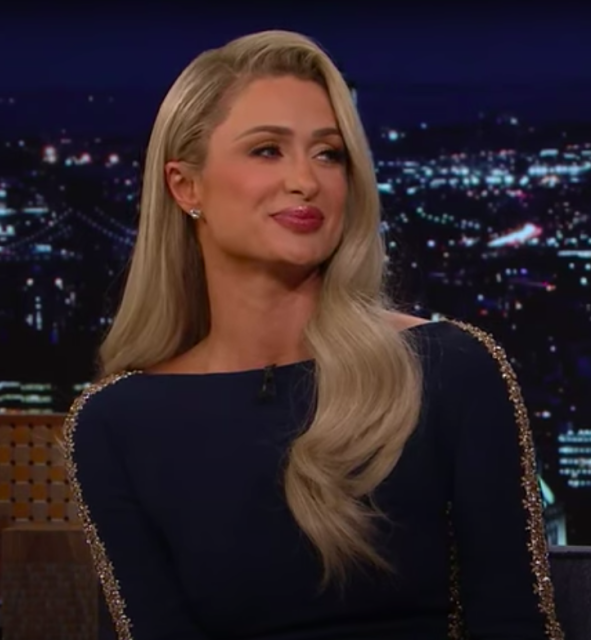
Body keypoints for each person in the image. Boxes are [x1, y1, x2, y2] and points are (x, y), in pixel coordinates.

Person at [62, 30, 564, 640]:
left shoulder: (452, 369)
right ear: (186, 186)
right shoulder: (114, 425)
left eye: (329, 154)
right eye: (267, 150)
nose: (306, 180)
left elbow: (513, 622)